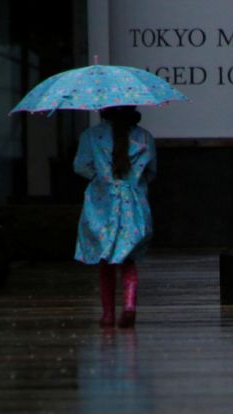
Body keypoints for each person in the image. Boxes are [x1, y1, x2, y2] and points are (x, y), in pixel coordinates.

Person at [73, 105, 156, 328]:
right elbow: (152, 171)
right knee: (128, 258)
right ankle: (129, 304)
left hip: (103, 202)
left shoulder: (90, 136)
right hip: (133, 202)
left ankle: (108, 314)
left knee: (105, 261)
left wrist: (100, 177)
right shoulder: (145, 137)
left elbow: (79, 165)